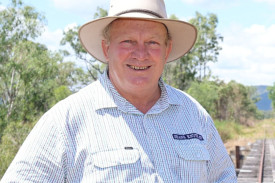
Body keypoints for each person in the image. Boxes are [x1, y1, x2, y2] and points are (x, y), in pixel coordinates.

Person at [1, 0, 237, 182]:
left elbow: (224, 178)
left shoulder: (194, 115)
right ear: (106, 48)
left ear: (167, 49)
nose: (141, 53)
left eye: (153, 42)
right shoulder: (66, 121)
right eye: (128, 41)